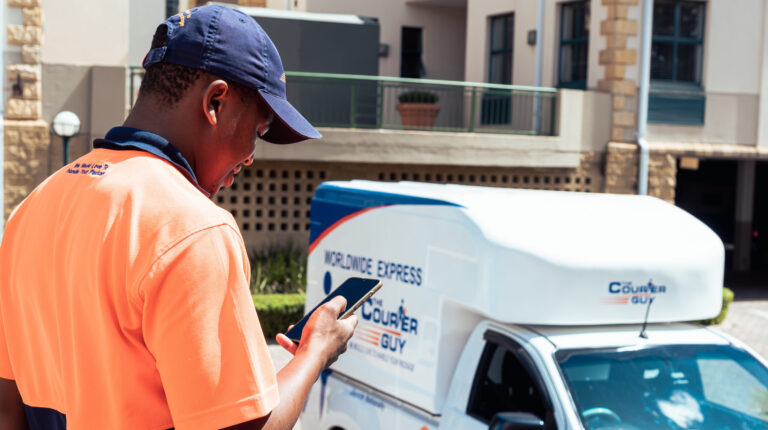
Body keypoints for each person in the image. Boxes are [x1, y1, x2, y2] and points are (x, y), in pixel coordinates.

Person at [0, 5, 357, 429]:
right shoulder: (195, 230)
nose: (250, 157)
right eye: (257, 132)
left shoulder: (32, 208)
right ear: (216, 102)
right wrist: (316, 350)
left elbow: (8, 406)